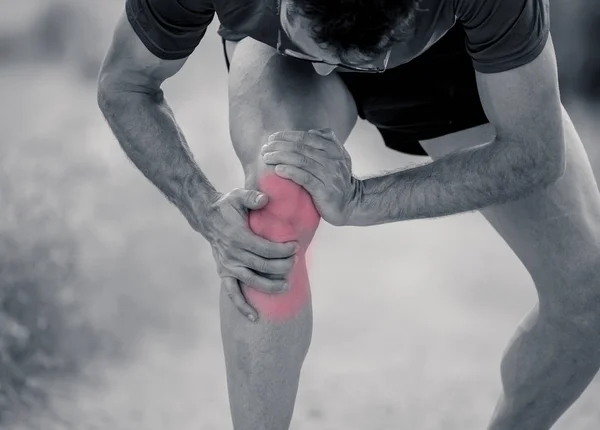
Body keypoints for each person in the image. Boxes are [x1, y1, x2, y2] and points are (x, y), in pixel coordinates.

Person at [97, 0, 600, 428]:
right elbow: (125, 84)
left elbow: (534, 151)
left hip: (454, 65)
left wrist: (363, 200)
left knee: (588, 297)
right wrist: (205, 210)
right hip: (280, 59)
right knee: (271, 221)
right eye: (314, 42)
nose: (326, 65)